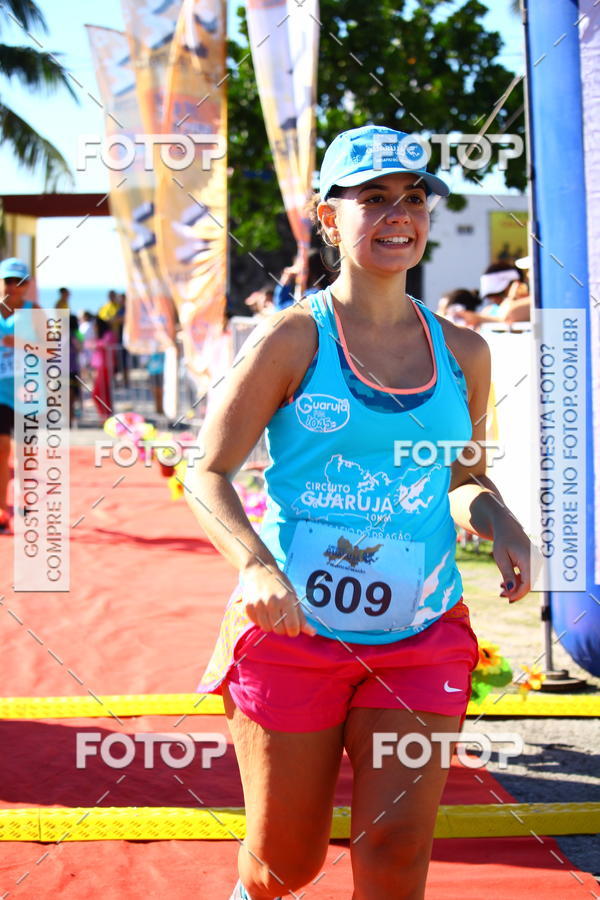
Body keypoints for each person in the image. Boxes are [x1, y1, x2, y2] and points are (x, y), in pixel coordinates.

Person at [185, 124, 533, 900]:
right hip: (294, 632)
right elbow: (205, 470)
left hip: (421, 635)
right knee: (286, 863)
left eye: (413, 198)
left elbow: (462, 480)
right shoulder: (291, 338)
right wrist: (255, 566)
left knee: (397, 852)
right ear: (325, 213)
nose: (396, 214)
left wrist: (502, 523)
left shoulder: (465, 353)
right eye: (372, 198)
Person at [0, 258, 37, 532]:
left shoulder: (34, 312)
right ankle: (2, 510)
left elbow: (54, 351)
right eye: (8, 280)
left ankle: (26, 501)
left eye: (19, 281)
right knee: (2, 450)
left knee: (25, 452)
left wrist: (21, 343)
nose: (14, 287)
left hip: (27, 391)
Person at [90, 315, 116, 422]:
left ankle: (106, 416)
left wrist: (95, 344)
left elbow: (107, 344)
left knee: (98, 393)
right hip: (99, 368)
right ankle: (105, 415)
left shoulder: (108, 335)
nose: (94, 328)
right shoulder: (99, 337)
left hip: (105, 368)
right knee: (102, 393)